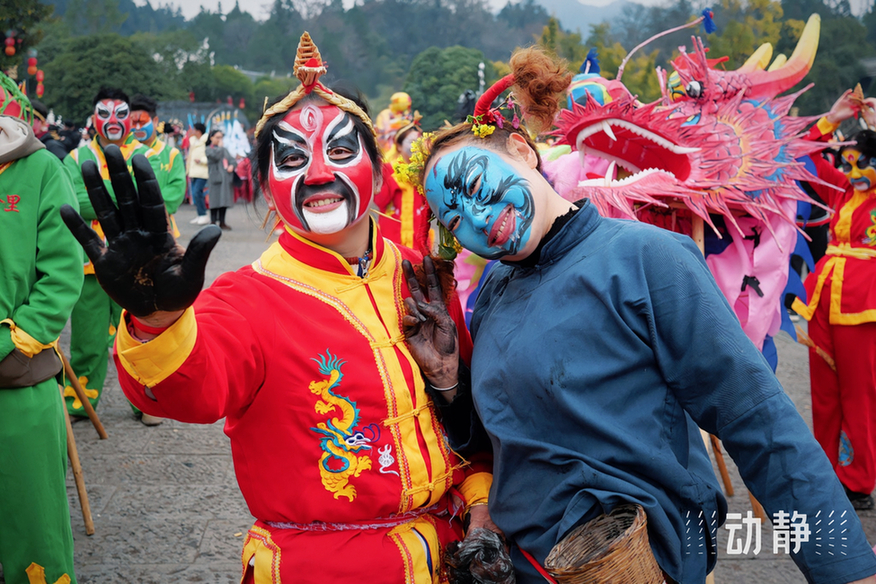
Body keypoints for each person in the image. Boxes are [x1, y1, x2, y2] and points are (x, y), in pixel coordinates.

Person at [402, 47, 876, 583]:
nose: (477, 218)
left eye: (476, 186)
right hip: (524, 567)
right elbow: (502, 441)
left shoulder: (648, 258)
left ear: (522, 150)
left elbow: (759, 422)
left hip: (633, 563)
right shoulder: (493, 288)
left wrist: (846, 568)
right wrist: (447, 383)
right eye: (453, 216)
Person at [60, 32, 496, 582]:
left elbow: (474, 414)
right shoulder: (246, 297)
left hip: (448, 556)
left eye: (340, 151)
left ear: (379, 172)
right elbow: (192, 389)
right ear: (266, 185)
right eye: (291, 159)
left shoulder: (420, 275)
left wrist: (481, 512)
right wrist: (157, 318)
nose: (317, 174)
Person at [0, 73, 81, 584]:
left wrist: (14, 342)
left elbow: (60, 273)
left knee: (32, 523)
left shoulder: (42, 169)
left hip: (17, 373)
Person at [792, 88, 876, 510]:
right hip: (825, 298)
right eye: (855, 157)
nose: (857, 165)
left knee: (860, 393)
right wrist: (833, 117)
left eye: (867, 158)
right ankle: (827, 471)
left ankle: (858, 480)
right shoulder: (843, 191)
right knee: (824, 390)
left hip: (864, 304)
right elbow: (807, 158)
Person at [62, 86, 157, 419]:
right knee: (87, 341)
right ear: (93, 118)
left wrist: (101, 198)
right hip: (91, 265)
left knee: (138, 339)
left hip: (138, 266)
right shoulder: (76, 158)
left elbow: (152, 200)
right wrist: (122, 199)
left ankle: (145, 402)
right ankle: (80, 402)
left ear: (130, 119)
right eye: (104, 114)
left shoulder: (147, 155)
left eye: (120, 114)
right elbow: (74, 201)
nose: (113, 121)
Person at [130, 94, 186, 232]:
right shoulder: (122, 153)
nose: (137, 128)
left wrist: (147, 209)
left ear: (155, 121)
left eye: (142, 123)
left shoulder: (171, 155)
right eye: (133, 123)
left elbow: (176, 190)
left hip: (162, 227)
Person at [374, 119, 431, 253]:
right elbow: (380, 201)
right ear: (399, 146)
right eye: (411, 143)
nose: (416, 147)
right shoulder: (388, 169)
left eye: (418, 143)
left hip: (418, 233)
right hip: (392, 232)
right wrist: (395, 181)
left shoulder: (423, 169)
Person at [205, 128, 234, 230]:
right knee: (214, 201)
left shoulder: (224, 150)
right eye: (217, 137)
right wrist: (220, 148)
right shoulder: (208, 149)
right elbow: (215, 157)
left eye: (221, 137)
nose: (219, 140)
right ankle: (213, 221)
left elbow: (232, 160)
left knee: (223, 201)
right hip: (215, 178)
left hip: (225, 178)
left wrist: (232, 166)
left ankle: (222, 222)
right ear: (211, 138)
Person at [186, 122, 210, 224]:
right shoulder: (194, 142)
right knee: (196, 194)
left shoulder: (206, 142)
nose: (192, 132)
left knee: (197, 192)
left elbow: (210, 155)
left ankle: (203, 214)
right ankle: (200, 214)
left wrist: (201, 160)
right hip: (193, 172)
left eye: (194, 130)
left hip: (202, 172)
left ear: (199, 131)